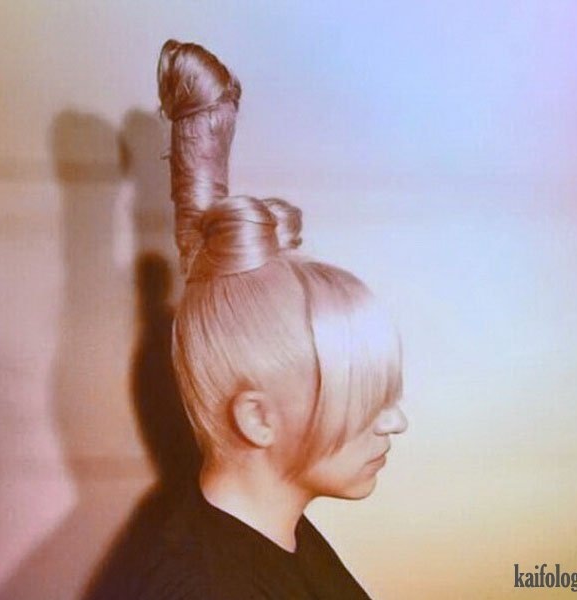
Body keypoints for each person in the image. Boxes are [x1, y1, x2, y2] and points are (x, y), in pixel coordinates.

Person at [86, 40, 408, 600]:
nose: (395, 422)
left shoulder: (275, 533)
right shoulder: (207, 588)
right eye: (365, 399)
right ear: (257, 418)